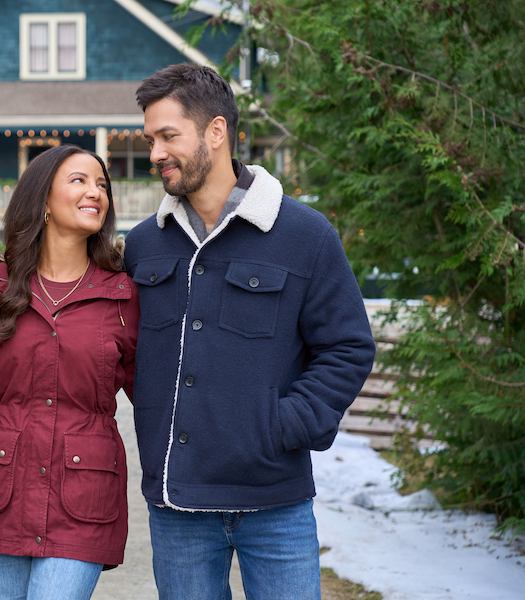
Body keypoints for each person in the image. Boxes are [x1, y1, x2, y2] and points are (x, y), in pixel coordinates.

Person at [124, 63, 377, 600]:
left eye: (169, 136)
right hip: (177, 503)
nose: (155, 154)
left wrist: (283, 425)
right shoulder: (145, 244)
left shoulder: (304, 235)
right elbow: (123, 350)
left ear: (216, 132)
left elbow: (347, 346)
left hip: (275, 502)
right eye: (151, 139)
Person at [0, 144, 139, 600]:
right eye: (79, 180)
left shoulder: (122, 293)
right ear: (43, 199)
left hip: (85, 493)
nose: (96, 191)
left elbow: (150, 396)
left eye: (102, 184)